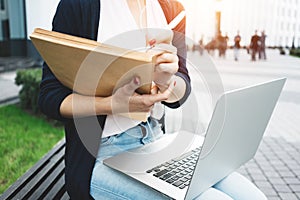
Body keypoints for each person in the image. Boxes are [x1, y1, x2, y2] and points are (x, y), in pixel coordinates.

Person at [38, 0, 268, 199]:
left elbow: (180, 93)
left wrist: (166, 80)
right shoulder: (81, 5)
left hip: (154, 139)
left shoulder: (171, 9)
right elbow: (49, 97)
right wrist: (112, 105)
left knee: (254, 196)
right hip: (100, 154)